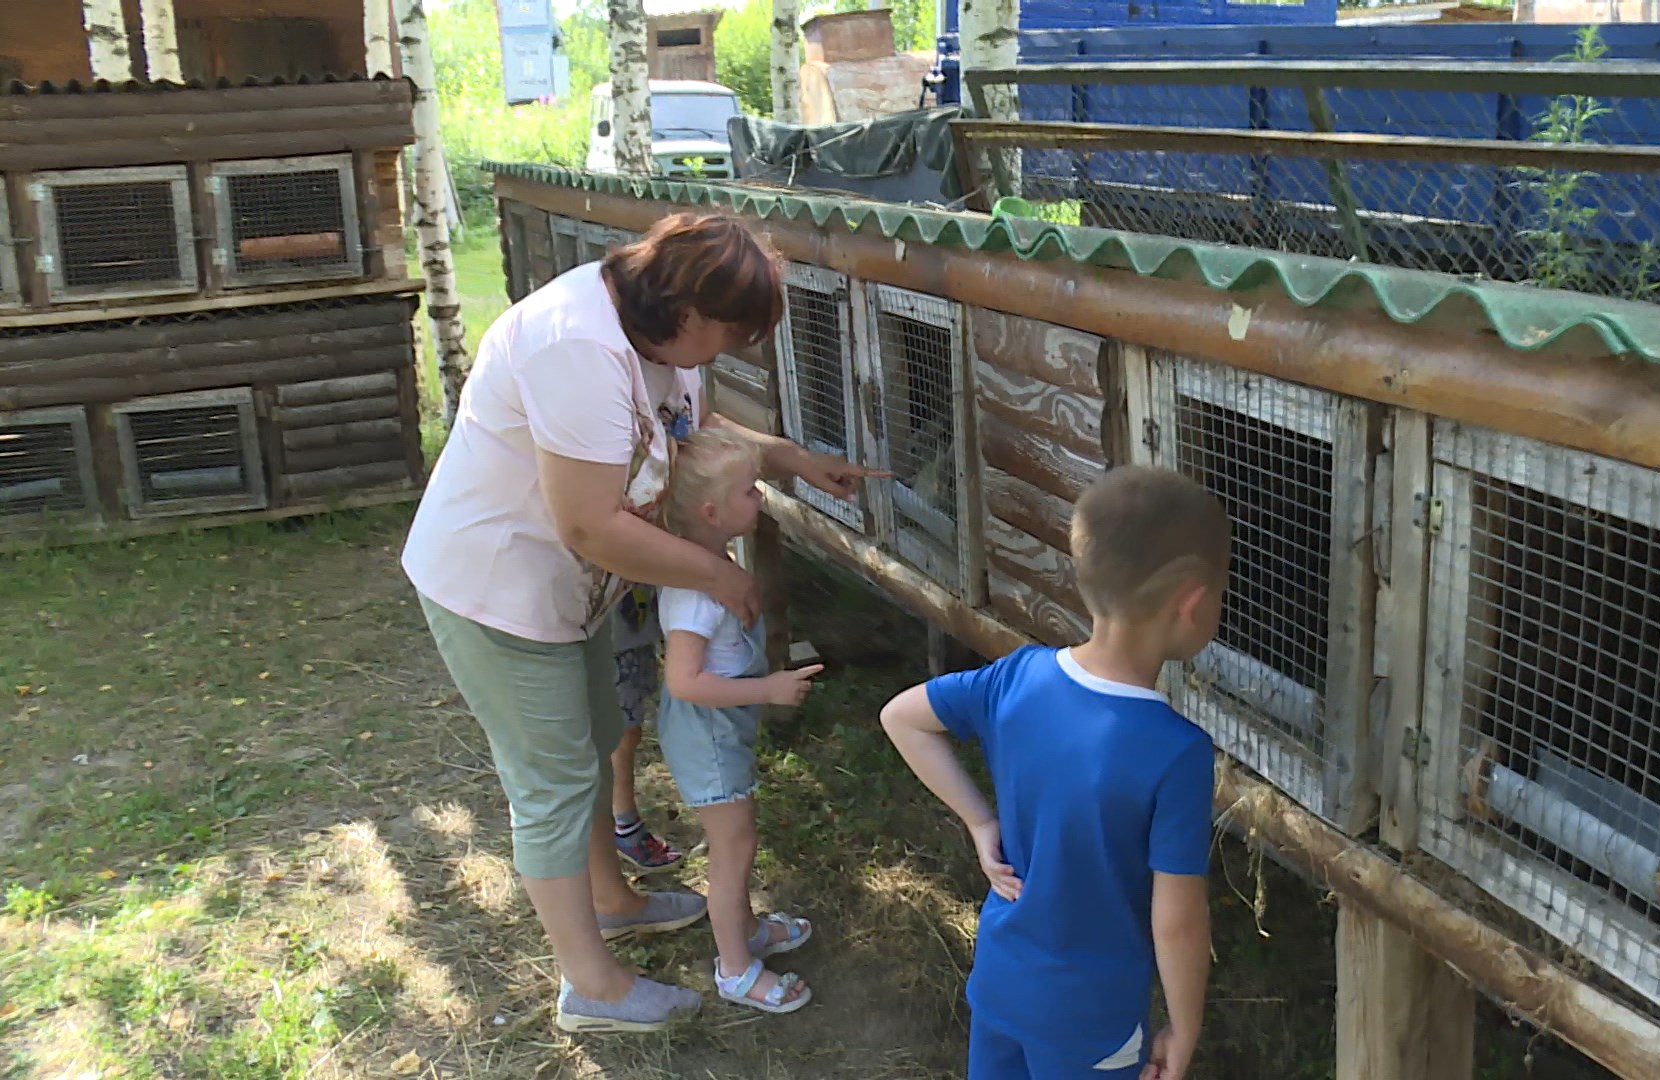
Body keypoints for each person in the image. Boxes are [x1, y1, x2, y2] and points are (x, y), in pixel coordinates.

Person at [403, 213, 876, 1034]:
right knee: (551, 782)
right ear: (689, 312)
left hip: (565, 589)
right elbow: (588, 523)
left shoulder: (652, 334)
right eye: (729, 333)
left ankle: (609, 898)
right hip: (500, 587)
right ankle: (592, 986)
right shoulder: (575, 348)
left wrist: (792, 460)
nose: (728, 351)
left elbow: (695, 429)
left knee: (589, 747)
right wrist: (719, 573)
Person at [880, 467, 1229, 1080]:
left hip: (1001, 982)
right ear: (1192, 604)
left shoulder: (1018, 675)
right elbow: (1176, 921)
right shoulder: (1178, 753)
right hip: (1090, 1020)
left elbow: (902, 717)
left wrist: (979, 820)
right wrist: (1186, 1025)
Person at [653, 428, 823, 1014]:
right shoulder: (698, 592)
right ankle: (734, 968)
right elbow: (684, 680)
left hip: (719, 734)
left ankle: (745, 932)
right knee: (733, 850)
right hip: (707, 739)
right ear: (712, 511)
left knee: (738, 841)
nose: (760, 498)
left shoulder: (710, 565)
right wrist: (769, 687)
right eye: (750, 491)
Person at [607, 590, 684, 875]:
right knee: (618, 731)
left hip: (625, 616)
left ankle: (618, 821)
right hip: (598, 627)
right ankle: (621, 824)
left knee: (627, 727)